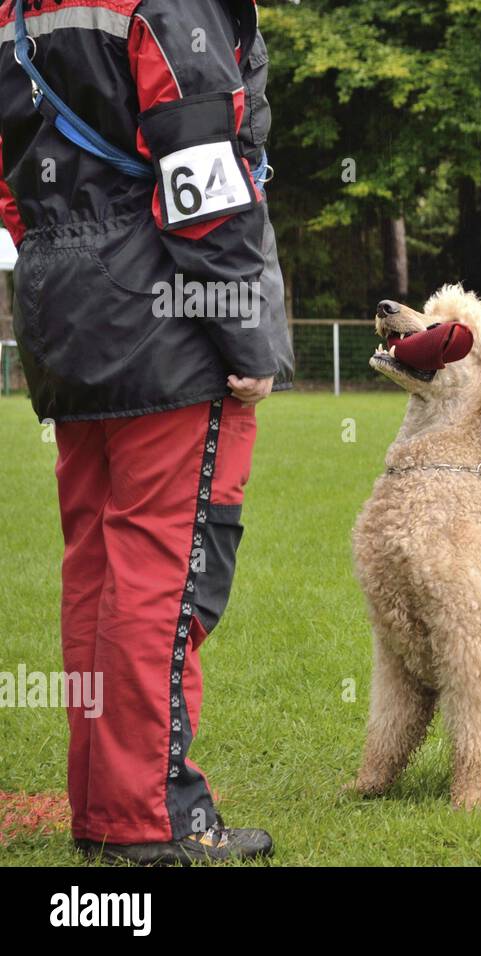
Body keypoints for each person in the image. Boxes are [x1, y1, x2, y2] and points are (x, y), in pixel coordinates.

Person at [0, 0, 293, 864]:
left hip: (68, 322)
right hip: (168, 324)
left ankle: (104, 809)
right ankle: (150, 820)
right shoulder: (167, 7)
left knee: (97, 574)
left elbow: (13, 187)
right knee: (162, 580)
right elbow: (203, 173)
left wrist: (66, 260)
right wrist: (247, 328)